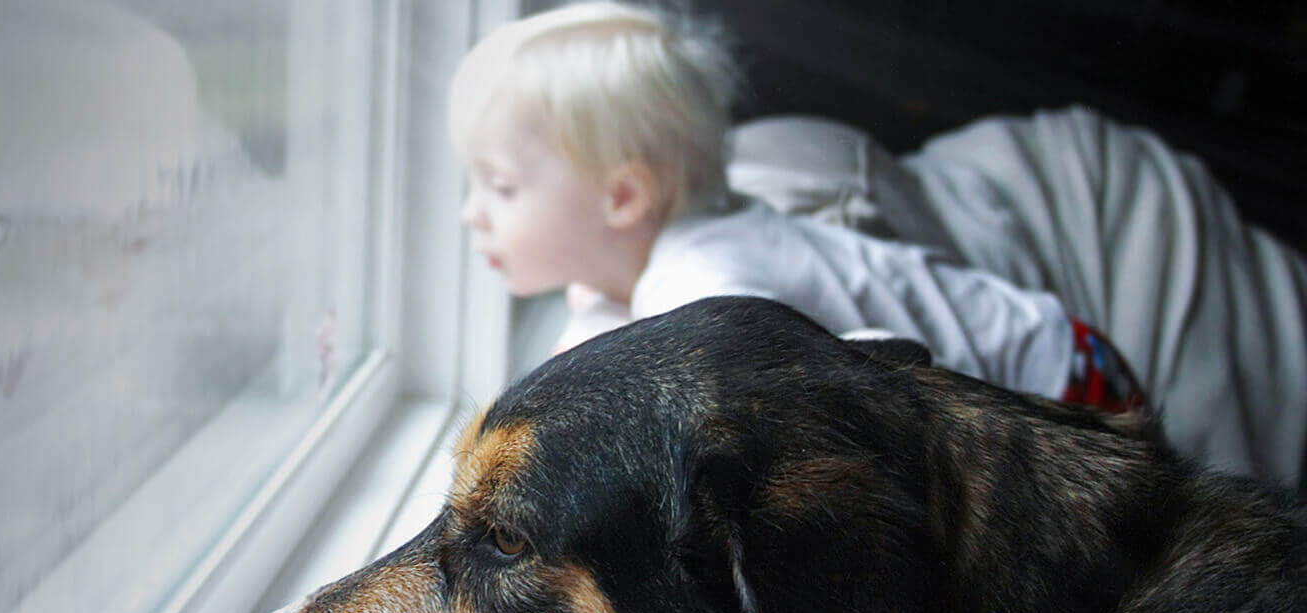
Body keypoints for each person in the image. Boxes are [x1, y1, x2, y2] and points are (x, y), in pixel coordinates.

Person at [449, 0, 1145, 413]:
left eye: (500, 187)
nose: (470, 212)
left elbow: (848, 397)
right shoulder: (649, 259)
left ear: (625, 196)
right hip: (1068, 346)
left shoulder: (707, 285)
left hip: (1067, 387)